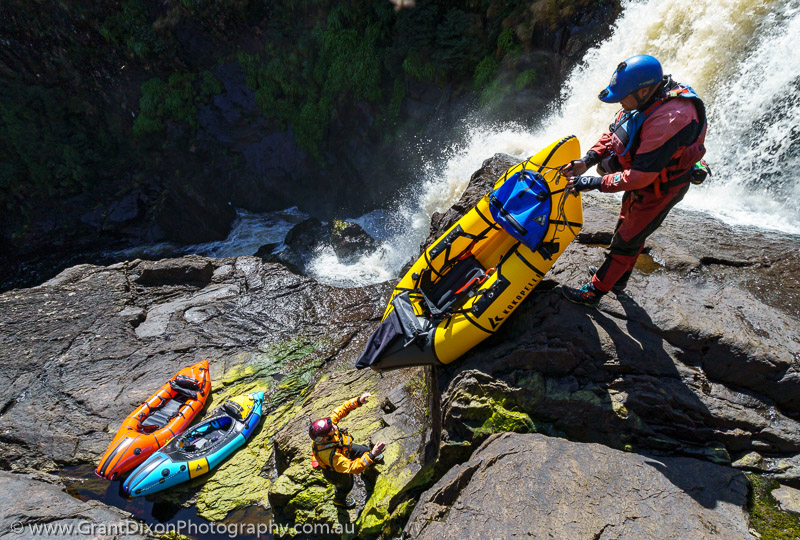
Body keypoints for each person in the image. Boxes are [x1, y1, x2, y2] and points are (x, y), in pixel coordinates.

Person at [561, 54, 707, 307]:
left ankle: (594, 292)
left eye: (622, 97)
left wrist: (592, 184)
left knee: (627, 239)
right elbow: (617, 130)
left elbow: (641, 177)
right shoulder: (645, 100)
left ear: (645, 90)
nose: (619, 102)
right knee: (626, 225)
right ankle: (617, 278)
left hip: (661, 188)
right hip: (643, 179)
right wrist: (588, 160)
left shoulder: (670, 118)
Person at [308, 393, 386, 508]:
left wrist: (358, 401)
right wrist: (373, 454)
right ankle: (339, 501)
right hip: (334, 472)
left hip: (343, 448)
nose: (335, 427)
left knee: (363, 450)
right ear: (325, 438)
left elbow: (341, 410)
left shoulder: (327, 429)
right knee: (346, 486)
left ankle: (370, 458)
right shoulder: (331, 456)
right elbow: (353, 468)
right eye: (331, 429)